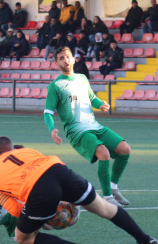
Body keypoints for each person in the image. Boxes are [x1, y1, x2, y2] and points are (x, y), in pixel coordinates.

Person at [0, 136, 158, 244]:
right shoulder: (24, 151)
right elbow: (45, 172)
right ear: (13, 148)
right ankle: (145, 240)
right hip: (59, 169)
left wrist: (36, 220)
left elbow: (11, 206)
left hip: (38, 187)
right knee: (105, 208)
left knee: (24, 238)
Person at [45, 46, 130, 206]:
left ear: (73, 58)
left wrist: (101, 105)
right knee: (103, 153)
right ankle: (107, 198)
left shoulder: (82, 78)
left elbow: (91, 98)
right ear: (56, 63)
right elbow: (48, 112)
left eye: (67, 56)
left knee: (125, 149)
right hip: (77, 131)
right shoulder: (55, 86)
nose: (66, 60)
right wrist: (52, 129)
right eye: (61, 58)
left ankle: (113, 188)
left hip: (94, 126)